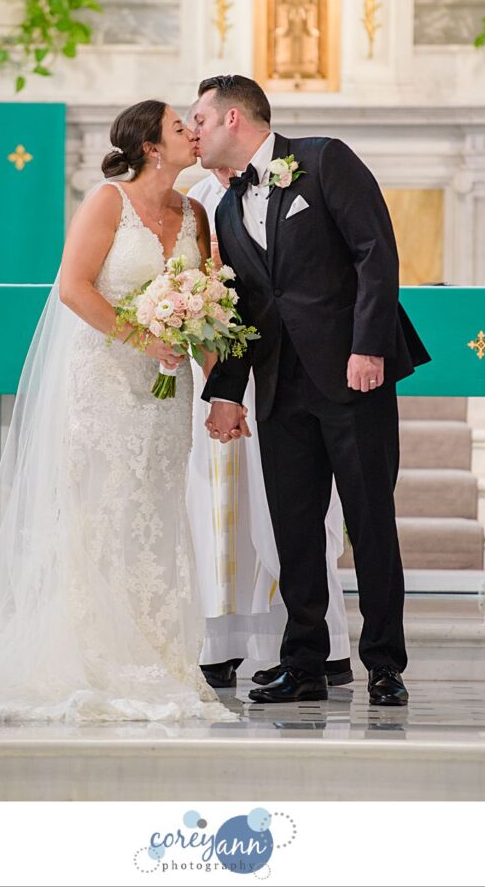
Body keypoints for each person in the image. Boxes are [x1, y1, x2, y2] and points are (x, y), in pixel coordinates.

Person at [0, 100, 238, 725]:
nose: (193, 133)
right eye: (178, 127)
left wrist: (221, 391)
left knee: (156, 512)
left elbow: (210, 305)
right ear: (147, 145)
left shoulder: (195, 212)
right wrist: (143, 338)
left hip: (166, 393)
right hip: (106, 380)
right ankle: (95, 656)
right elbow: (73, 287)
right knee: (101, 511)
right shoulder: (107, 202)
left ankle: (160, 657)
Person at [192, 75, 431, 707]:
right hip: (279, 386)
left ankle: (384, 663)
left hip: (353, 376)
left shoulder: (325, 160)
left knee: (370, 519)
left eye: (201, 120)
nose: (195, 132)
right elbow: (246, 307)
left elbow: (375, 255)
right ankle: (303, 662)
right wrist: (225, 391)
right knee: (294, 527)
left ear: (235, 120)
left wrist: (369, 346)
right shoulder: (224, 209)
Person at [184, 156, 352, 691]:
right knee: (217, 504)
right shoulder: (194, 202)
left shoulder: (291, 178)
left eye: (199, 123)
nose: (194, 135)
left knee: (292, 507)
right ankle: (223, 642)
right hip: (215, 376)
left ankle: (317, 642)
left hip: (276, 369)